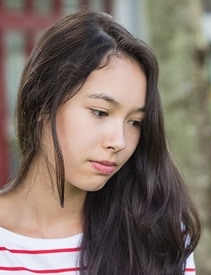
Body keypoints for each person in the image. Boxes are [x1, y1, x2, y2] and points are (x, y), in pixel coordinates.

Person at [0, 11, 200, 274]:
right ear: (42, 104)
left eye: (135, 122)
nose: (118, 141)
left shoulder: (159, 235)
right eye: (100, 112)